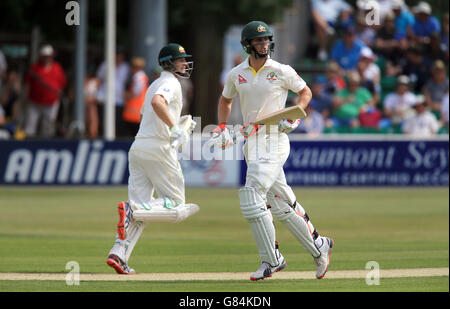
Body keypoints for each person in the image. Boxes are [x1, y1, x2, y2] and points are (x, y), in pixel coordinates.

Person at [213, 21, 333, 281]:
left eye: (266, 40)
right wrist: (222, 126)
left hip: (275, 140)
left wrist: (295, 118)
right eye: (258, 41)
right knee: (280, 205)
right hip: (252, 143)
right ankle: (319, 245)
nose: (264, 44)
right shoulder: (237, 74)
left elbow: (305, 93)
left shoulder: (281, 70)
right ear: (247, 45)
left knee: (252, 194)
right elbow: (225, 99)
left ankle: (271, 259)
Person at [106, 43, 199, 274]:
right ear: (169, 63)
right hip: (158, 149)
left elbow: (144, 114)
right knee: (176, 204)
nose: (185, 63)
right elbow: (159, 104)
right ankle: (132, 210)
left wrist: (177, 125)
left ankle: (119, 254)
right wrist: (175, 128)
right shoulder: (170, 82)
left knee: (145, 213)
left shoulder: (154, 83)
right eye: (180, 60)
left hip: (139, 147)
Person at [23, 45, 67, 138]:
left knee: (48, 126)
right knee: (30, 125)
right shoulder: (34, 68)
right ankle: (28, 144)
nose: (46, 58)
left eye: (48, 56)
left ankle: (46, 146)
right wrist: (25, 99)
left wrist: (58, 95)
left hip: (51, 102)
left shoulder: (57, 68)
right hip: (34, 102)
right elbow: (28, 84)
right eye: (44, 56)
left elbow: (62, 84)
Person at [96, 46, 130, 137]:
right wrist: (97, 94)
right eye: (117, 55)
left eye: (121, 55)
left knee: (117, 122)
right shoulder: (105, 65)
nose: (119, 57)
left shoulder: (126, 67)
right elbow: (99, 80)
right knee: (104, 121)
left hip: (119, 99)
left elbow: (128, 82)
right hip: (105, 98)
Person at [122, 57, 149, 137]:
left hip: (135, 113)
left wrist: (126, 95)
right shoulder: (141, 77)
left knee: (134, 134)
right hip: (137, 112)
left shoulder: (138, 77)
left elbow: (136, 92)